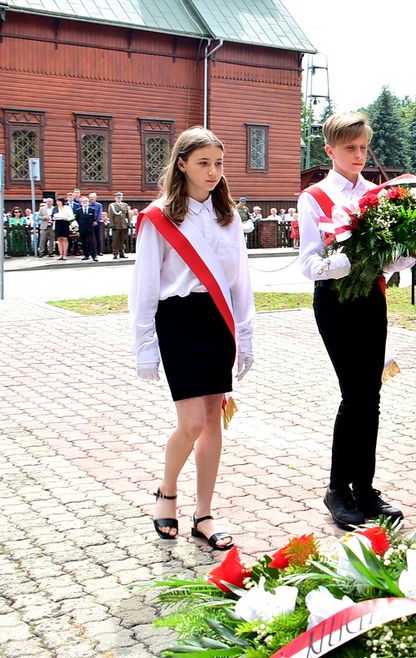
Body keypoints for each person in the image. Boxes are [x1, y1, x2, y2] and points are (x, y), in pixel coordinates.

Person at [130, 126, 254, 549]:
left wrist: (246, 335)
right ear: (181, 163)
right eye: (203, 163)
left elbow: (240, 282)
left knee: (214, 424)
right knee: (192, 422)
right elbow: (144, 286)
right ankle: (167, 494)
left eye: (218, 163)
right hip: (179, 320)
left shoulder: (228, 216)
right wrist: (144, 345)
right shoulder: (160, 217)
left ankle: (204, 513)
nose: (213, 171)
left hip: (216, 320)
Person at [298, 111, 416, 530]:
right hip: (334, 302)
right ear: (330, 150)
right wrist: (346, 261)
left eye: (364, 147)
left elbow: (393, 258)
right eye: (350, 148)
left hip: (372, 300)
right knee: (354, 395)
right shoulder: (314, 197)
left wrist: (409, 253)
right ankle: (336, 489)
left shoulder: (381, 194)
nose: (359, 155)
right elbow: (309, 265)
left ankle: (364, 489)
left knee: (372, 395)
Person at [75, 195, 99, 262]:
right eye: (83, 201)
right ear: (81, 202)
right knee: (84, 242)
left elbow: (94, 219)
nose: (85, 202)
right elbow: (77, 219)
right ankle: (86, 255)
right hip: (82, 228)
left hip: (90, 228)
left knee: (92, 242)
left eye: (86, 201)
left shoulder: (92, 210)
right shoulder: (78, 210)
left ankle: (94, 256)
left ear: (88, 202)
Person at [108, 192, 130, 259]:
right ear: (115, 198)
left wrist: (128, 224)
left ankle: (122, 253)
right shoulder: (112, 205)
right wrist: (112, 225)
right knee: (115, 240)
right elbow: (111, 216)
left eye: (120, 197)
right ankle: (115, 253)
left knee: (122, 240)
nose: (119, 199)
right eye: (118, 197)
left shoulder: (125, 205)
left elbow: (127, 215)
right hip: (116, 225)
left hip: (123, 225)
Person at [54, 194, 75, 260]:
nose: (58, 203)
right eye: (57, 202)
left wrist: (67, 218)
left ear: (62, 202)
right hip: (57, 223)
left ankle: (65, 254)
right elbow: (52, 215)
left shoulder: (67, 207)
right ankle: (61, 254)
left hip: (64, 223)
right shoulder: (55, 208)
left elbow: (72, 216)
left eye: (59, 201)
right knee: (59, 239)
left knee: (65, 239)